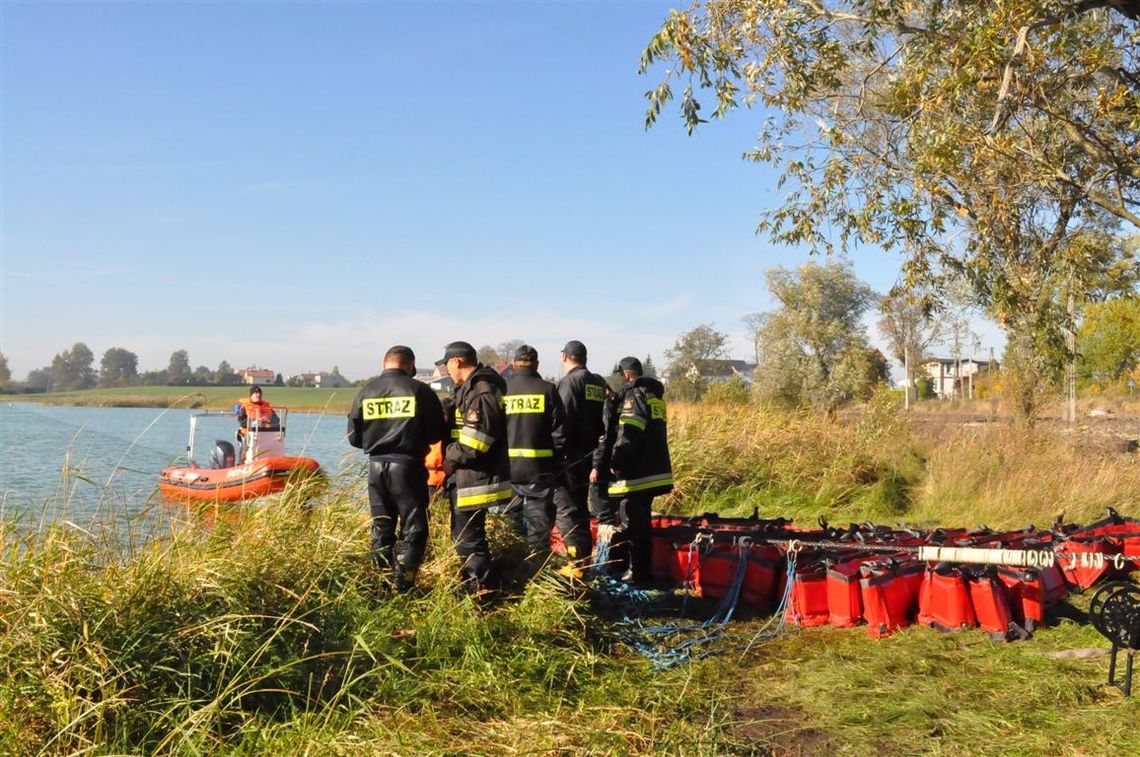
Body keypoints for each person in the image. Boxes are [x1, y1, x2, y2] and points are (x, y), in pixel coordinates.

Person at [347, 345, 446, 591]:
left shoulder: (365, 392)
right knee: (414, 528)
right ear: (410, 365)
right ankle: (403, 587)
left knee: (381, 527)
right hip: (407, 467)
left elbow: (353, 437)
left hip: (375, 467)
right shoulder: (419, 391)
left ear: (384, 363)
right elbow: (436, 434)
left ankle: (378, 585)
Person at [439, 340, 512, 598]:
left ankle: (484, 594)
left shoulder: (482, 392)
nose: (446, 370)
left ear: (457, 362)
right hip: (470, 476)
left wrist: (448, 457)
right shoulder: (471, 389)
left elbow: (475, 442)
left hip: (476, 479)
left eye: (447, 364)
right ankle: (475, 587)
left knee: (470, 541)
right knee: (466, 538)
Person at [503, 344, 582, 572]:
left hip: (508, 469)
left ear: (515, 363)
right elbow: (560, 433)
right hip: (539, 470)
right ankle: (536, 568)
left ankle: (513, 567)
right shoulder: (547, 390)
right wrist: (557, 462)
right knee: (538, 524)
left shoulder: (504, 390)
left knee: (510, 521)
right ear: (536, 364)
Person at [601, 356, 673, 585]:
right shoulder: (654, 395)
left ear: (625, 375)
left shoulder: (635, 395)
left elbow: (630, 432)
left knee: (632, 523)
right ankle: (642, 571)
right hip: (653, 469)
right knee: (642, 522)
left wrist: (616, 461)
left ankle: (636, 572)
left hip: (637, 473)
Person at [553, 340, 606, 575]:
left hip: (569, 456)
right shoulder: (596, 382)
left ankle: (576, 564)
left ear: (565, 357)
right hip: (588, 454)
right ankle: (584, 559)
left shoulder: (570, 382)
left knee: (566, 509)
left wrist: (556, 453)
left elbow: (561, 421)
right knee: (581, 509)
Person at [235, 386, 279, 459]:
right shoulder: (244, 406)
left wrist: (268, 420)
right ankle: (242, 462)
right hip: (248, 435)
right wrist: (255, 422)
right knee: (245, 448)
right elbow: (242, 422)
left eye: (259, 393)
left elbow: (277, 420)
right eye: (256, 393)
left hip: (266, 435)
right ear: (251, 395)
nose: (258, 395)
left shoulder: (267, 406)